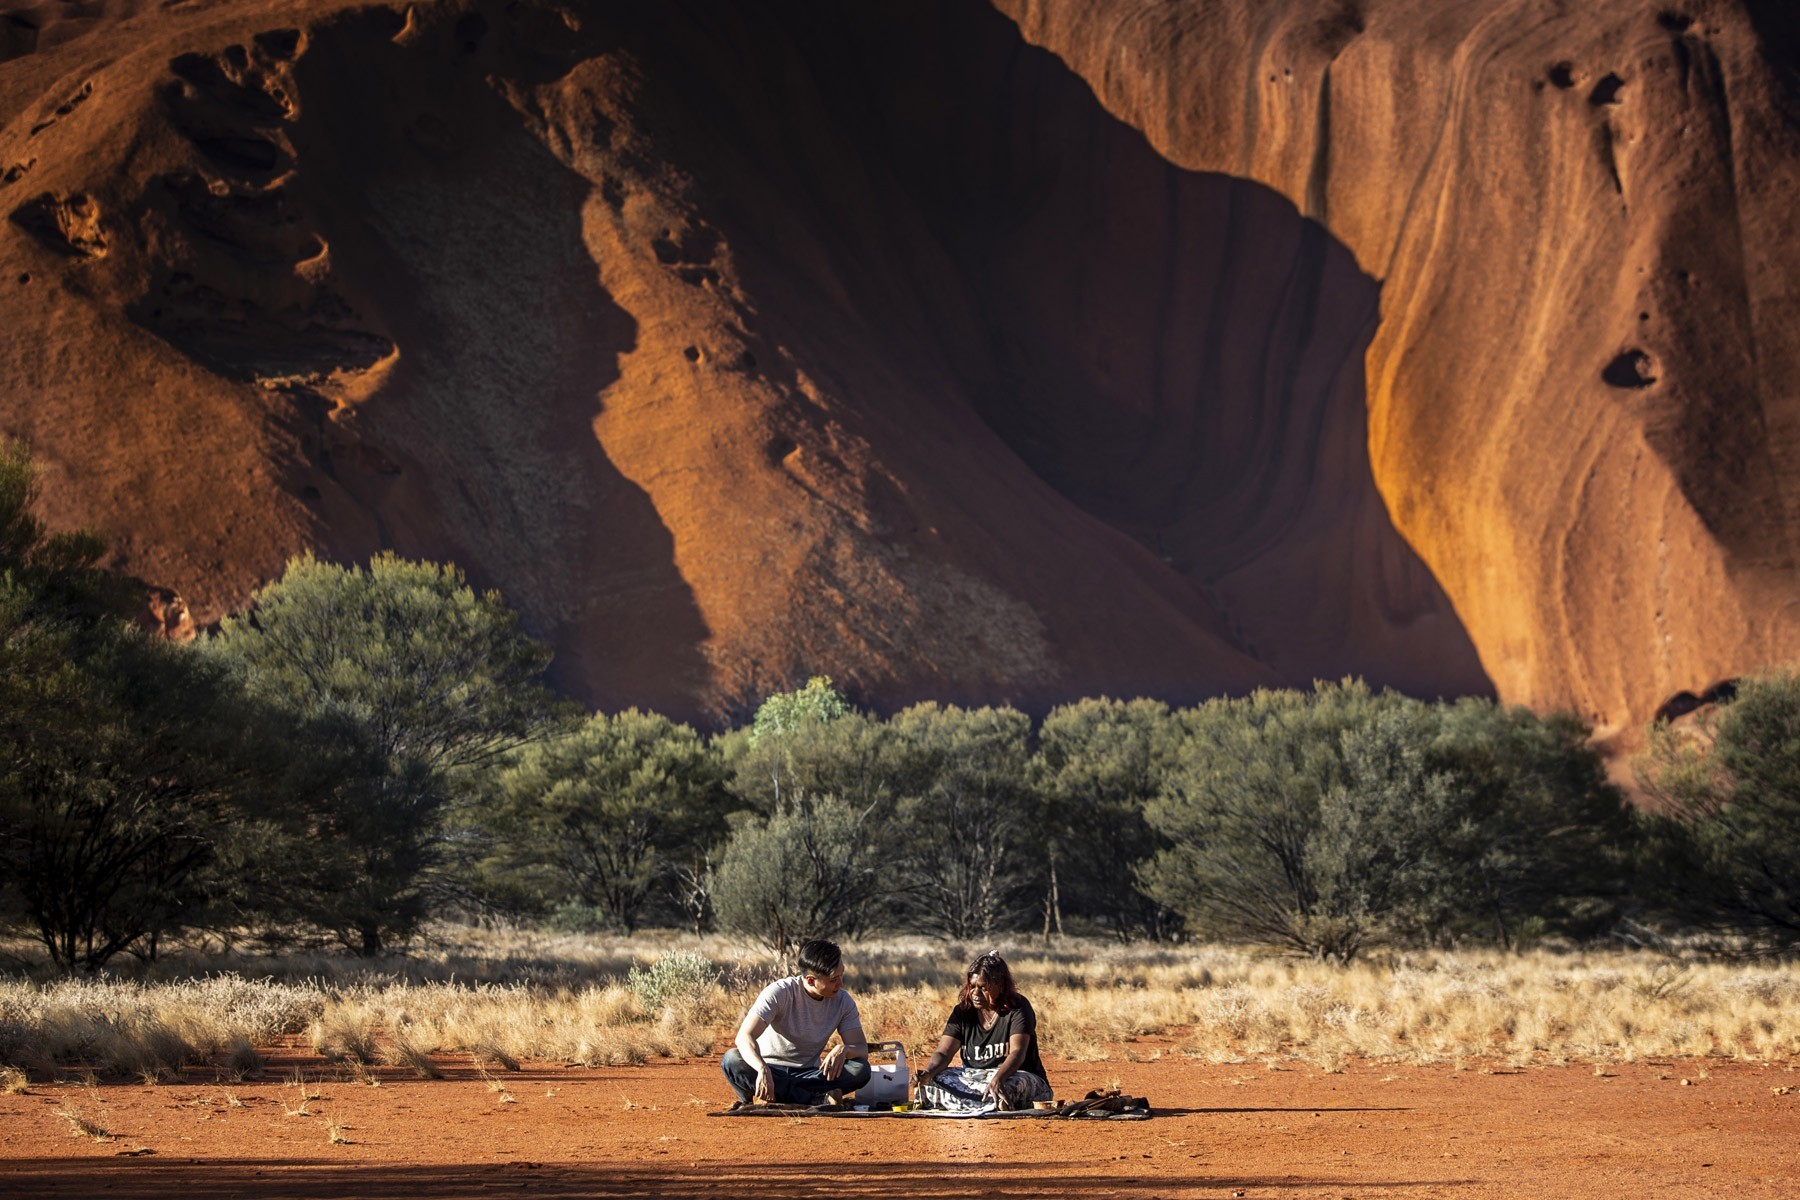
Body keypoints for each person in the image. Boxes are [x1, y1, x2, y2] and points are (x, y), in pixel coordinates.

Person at [721, 938, 871, 1106]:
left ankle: (777, 1095)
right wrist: (762, 1069)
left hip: (811, 1075)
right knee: (731, 1059)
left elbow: (862, 1050)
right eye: (833, 979)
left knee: (860, 1069)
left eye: (841, 975)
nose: (841, 983)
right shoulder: (780, 992)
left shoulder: (844, 1001)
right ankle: (815, 1099)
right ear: (810, 980)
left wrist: (845, 1049)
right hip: (769, 1069)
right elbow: (744, 1036)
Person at [912, 950, 1052, 1111]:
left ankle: (971, 1102)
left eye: (983, 988)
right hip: (974, 1077)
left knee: (1010, 1086)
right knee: (932, 1082)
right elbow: (944, 1053)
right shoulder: (963, 1011)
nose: (975, 993)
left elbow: (1017, 1053)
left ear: (1000, 985)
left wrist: (998, 1079)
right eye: (972, 987)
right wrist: (927, 1073)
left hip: (1014, 1075)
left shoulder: (1018, 1008)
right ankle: (985, 1104)